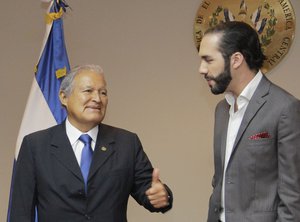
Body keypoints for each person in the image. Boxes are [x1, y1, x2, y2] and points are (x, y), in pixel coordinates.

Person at [10, 64, 173, 222]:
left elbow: (149, 190)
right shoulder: (35, 146)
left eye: (103, 93)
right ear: (64, 97)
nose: (97, 99)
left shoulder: (126, 143)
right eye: (88, 91)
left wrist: (162, 195)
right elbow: (21, 212)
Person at [198, 21, 300, 222]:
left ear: (236, 59)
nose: (201, 69)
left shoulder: (285, 108)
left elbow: (293, 197)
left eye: (208, 60)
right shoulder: (222, 110)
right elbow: (221, 180)